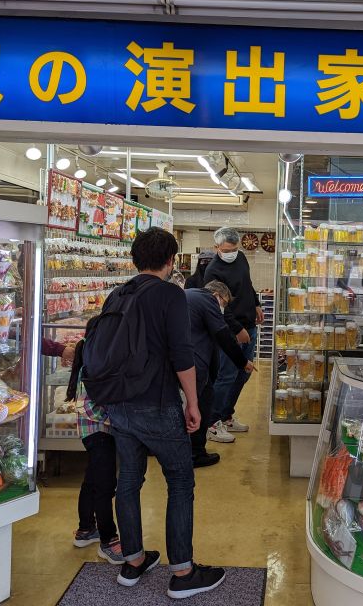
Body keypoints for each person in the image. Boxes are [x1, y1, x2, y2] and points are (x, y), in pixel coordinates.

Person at [102, 227, 225, 598]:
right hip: (156, 402)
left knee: (128, 480)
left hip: (118, 404)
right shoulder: (171, 295)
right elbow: (182, 354)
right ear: (171, 261)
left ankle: (133, 560)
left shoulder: (116, 294)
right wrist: (193, 402)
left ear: (135, 258)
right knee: (180, 480)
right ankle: (183, 572)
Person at [66, 319, 123, 564]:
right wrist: (117, 419)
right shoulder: (95, 362)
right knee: (104, 485)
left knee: (92, 479)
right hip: (98, 431)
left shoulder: (93, 357)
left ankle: (86, 529)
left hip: (93, 431)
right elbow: (89, 405)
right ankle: (108, 540)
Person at [185, 281, 255, 467]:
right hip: (193, 363)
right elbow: (223, 336)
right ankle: (195, 454)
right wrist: (243, 362)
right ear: (217, 295)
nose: (223, 308)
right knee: (203, 402)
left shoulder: (190, 294)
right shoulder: (209, 300)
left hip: (176, 360)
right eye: (224, 303)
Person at [204, 227, 263, 441]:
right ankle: (212, 423)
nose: (231, 253)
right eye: (227, 250)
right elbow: (219, 307)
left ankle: (226, 415)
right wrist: (237, 329)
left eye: (234, 249)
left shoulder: (241, 258)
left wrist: (256, 303)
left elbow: (247, 284)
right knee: (226, 375)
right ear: (216, 248)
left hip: (249, 324)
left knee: (244, 373)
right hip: (230, 329)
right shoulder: (212, 271)